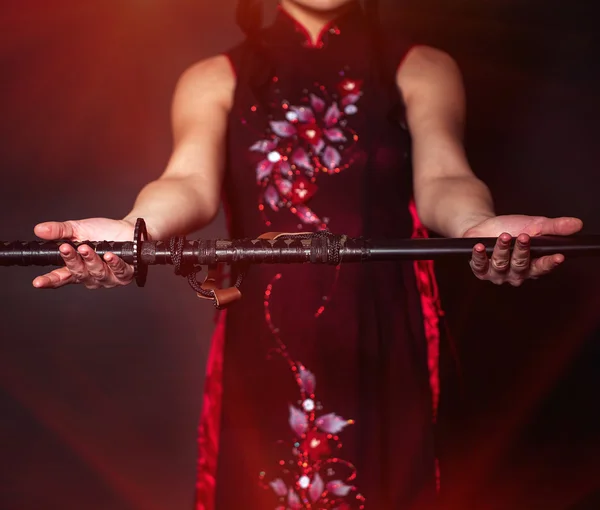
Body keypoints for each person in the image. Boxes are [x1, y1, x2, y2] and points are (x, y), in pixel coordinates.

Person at [31, 0, 582, 508]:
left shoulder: (422, 67)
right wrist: (133, 230)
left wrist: (480, 227)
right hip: (262, 333)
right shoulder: (212, 78)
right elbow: (185, 183)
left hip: (387, 327)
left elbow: (445, 179)